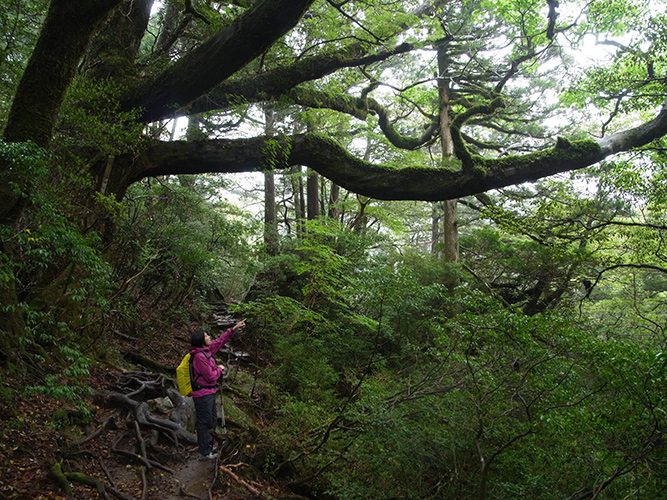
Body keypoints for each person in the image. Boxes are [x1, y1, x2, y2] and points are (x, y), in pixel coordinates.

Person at [189, 318, 246, 459]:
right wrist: (220, 369)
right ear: (202, 341)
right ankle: (204, 452)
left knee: (212, 419)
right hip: (202, 394)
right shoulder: (199, 357)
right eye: (207, 336)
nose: (209, 337)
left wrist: (234, 329)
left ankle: (209, 447)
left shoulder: (206, 351)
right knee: (205, 421)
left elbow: (220, 341)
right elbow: (210, 377)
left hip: (209, 392)